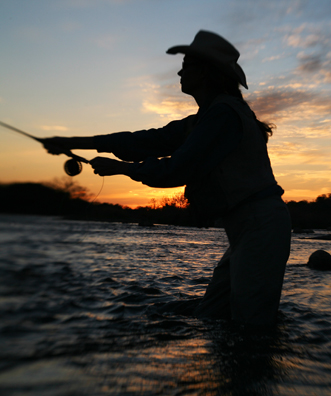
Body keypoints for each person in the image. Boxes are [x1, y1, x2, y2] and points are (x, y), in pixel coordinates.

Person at [43, 30, 292, 326]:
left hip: (259, 227)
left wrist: (121, 169)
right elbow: (146, 141)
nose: (179, 70)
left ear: (205, 72)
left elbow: (176, 170)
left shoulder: (222, 116)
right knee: (213, 316)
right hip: (248, 229)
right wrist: (71, 142)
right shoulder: (209, 117)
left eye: (186, 64)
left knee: (250, 329)